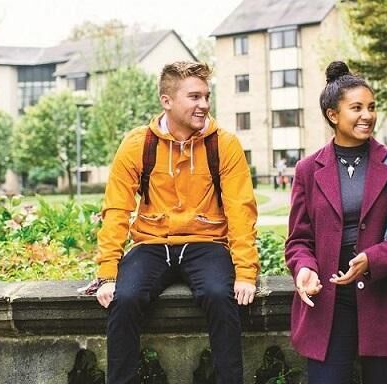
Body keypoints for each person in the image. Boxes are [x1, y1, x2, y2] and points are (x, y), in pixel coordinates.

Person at [85, 61, 259, 384]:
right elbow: (116, 210)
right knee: (125, 298)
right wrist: (107, 274)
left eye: (206, 96)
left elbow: (241, 211)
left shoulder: (224, 144)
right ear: (167, 101)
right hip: (151, 244)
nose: (204, 105)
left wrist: (246, 273)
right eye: (194, 97)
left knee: (222, 296)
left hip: (206, 243)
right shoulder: (138, 145)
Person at [285, 61, 387, 384]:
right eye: (357, 108)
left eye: (372, 107)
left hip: (383, 303)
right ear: (333, 115)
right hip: (327, 309)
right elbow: (298, 240)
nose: (368, 115)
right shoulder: (308, 170)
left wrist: (372, 259)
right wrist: (304, 268)